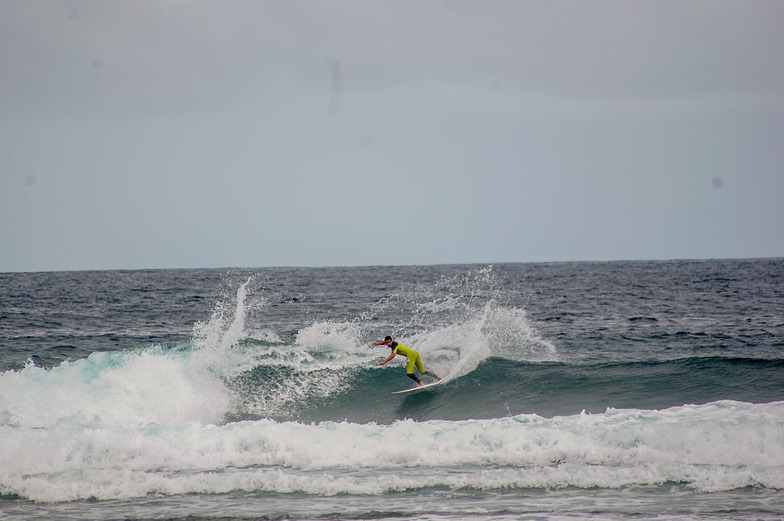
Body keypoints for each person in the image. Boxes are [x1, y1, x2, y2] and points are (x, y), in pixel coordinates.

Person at [372, 336, 442, 387]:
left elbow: (393, 355)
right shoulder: (388, 343)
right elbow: (383, 342)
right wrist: (377, 344)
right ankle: (438, 378)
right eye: (387, 343)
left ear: (391, 340)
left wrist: (384, 362)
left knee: (409, 373)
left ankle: (421, 383)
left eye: (389, 342)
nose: (388, 344)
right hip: (415, 353)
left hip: (411, 355)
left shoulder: (394, 345)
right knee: (422, 371)